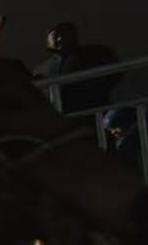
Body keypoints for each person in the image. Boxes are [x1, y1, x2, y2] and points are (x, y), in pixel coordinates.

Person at [39, 22, 126, 153]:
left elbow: (116, 74)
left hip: (93, 118)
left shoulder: (94, 54)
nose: (59, 39)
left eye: (64, 34)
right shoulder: (41, 69)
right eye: (55, 35)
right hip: (60, 127)